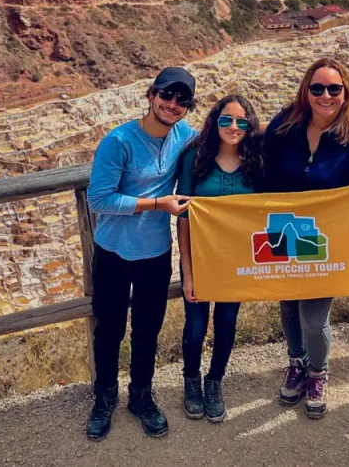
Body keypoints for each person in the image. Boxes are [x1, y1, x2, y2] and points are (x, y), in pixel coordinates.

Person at [262, 57, 349, 419]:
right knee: (287, 305)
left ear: (345, 93)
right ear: (306, 91)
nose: (325, 95)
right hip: (282, 229)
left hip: (324, 240)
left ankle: (317, 372)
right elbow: (262, 168)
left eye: (334, 89)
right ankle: (296, 363)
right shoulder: (284, 126)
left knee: (314, 316)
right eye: (317, 88)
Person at [84, 67, 198, 441]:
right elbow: (99, 198)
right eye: (167, 96)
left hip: (154, 253)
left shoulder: (184, 136)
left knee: (147, 329)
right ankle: (104, 399)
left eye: (183, 100)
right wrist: (156, 204)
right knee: (110, 330)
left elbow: (231, 143)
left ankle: (140, 396)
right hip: (115, 251)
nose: (173, 105)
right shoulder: (118, 142)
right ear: (151, 96)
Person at [175, 95, 264, 423]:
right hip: (200, 257)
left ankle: (215, 382)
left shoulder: (256, 159)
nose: (234, 127)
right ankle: (191, 382)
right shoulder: (194, 157)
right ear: (215, 122)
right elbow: (182, 216)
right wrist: (187, 271)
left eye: (242, 121)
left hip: (238, 259)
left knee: (226, 325)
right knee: (195, 328)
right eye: (226, 120)